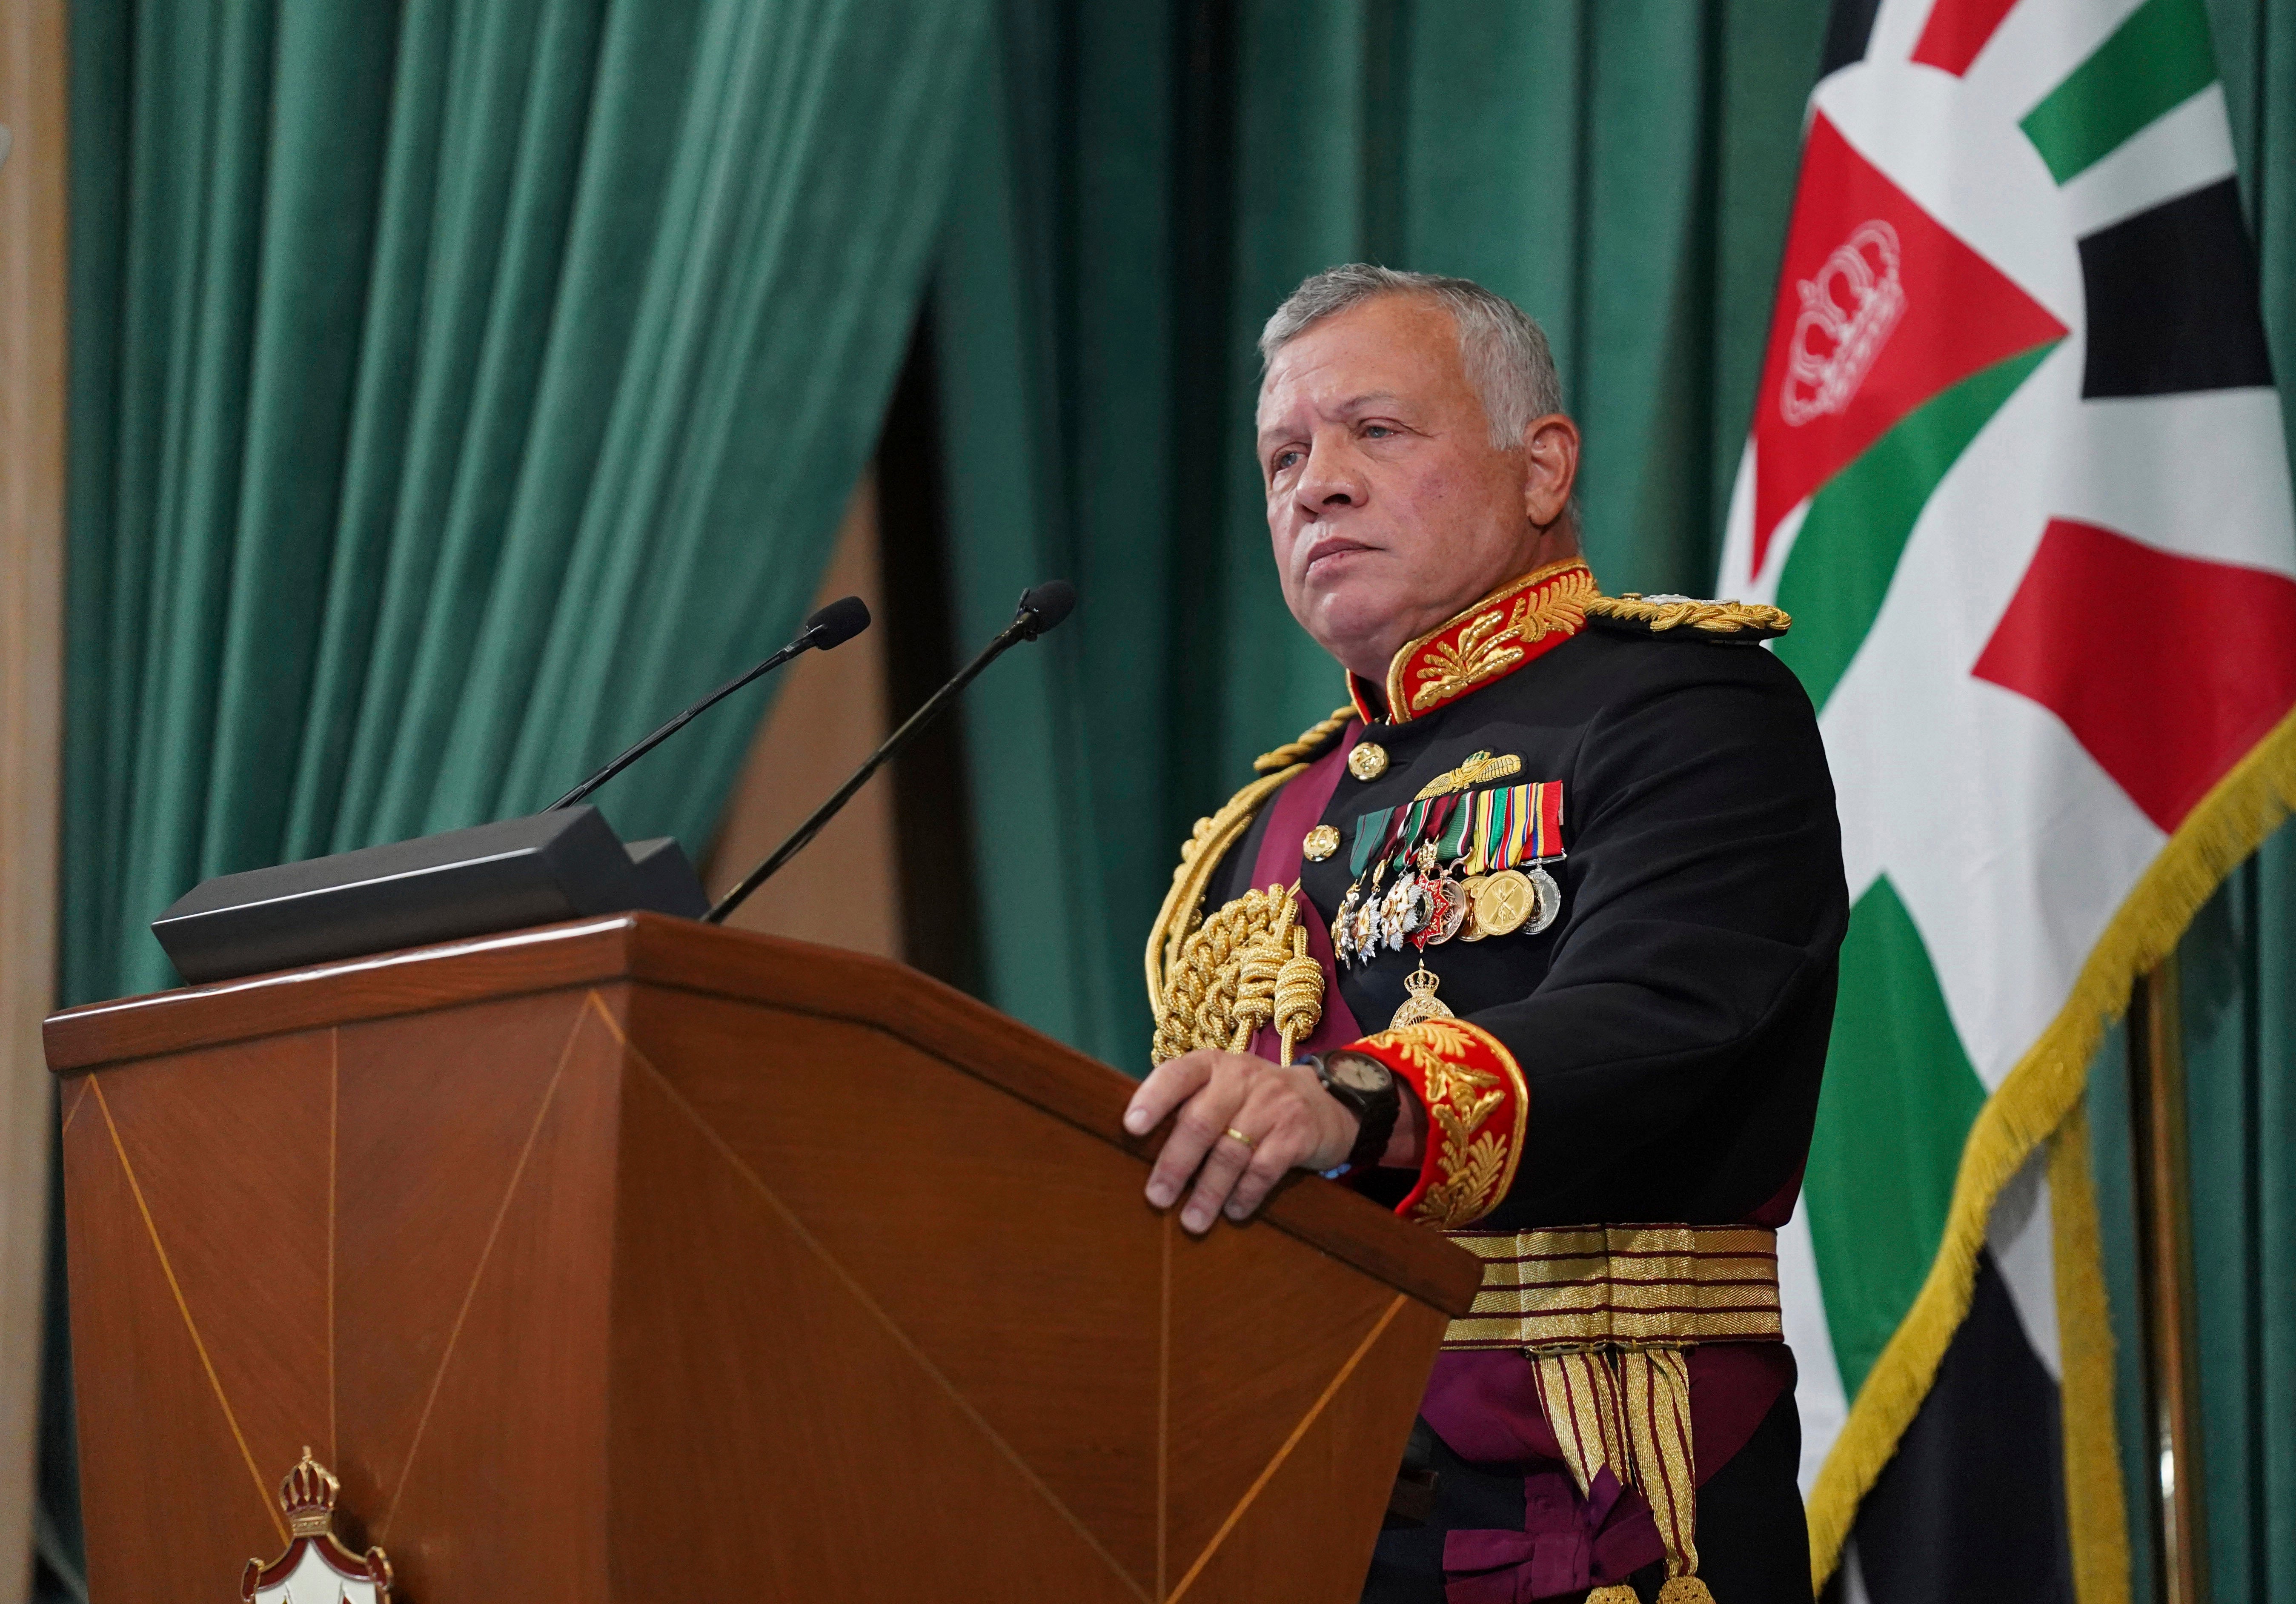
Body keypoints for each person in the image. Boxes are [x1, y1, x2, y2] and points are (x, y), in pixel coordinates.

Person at [1126, 265, 1847, 1604]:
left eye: (1374, 433)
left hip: (1595, 1498)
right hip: (1297, 1505)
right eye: (1283, 454)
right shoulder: (1261, 824)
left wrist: (1357, 1101)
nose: (1314, 484)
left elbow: (1657, 1015)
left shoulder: (1683, 709)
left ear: (1542, 468)